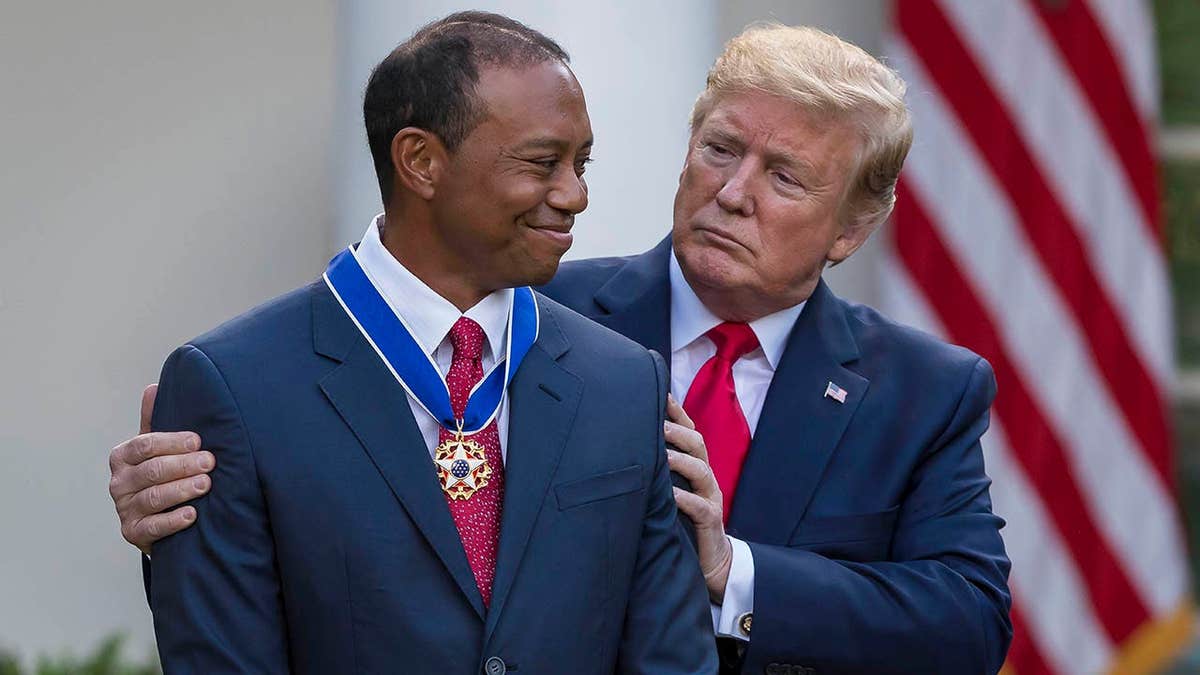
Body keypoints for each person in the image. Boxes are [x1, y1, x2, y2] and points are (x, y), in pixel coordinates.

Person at [111, 22, 1012, 675]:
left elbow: (968, 621)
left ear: (853, 225)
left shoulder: (926, 390)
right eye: (719, 149)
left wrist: (730, 571)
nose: (733, 192)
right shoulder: (520, 306)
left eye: (783, 177)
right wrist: (212, 485)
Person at [129, 12, 717, 674]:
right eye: (543, 162)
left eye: (580, 164)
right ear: (420, 161)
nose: (575, 194)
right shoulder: (234, 387)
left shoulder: (624, 382)